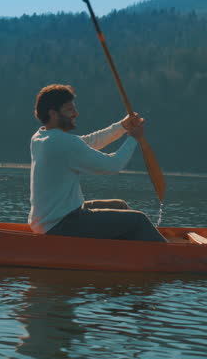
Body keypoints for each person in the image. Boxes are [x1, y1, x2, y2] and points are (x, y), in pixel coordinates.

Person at [28, 84, 166, 242]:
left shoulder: (40, 137)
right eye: (69, 109)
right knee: (138, 221)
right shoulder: (63, 142)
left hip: (49, 221)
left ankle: (126, 253)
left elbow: (88, 142)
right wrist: (133, 138)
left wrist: (122, 127)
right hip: (60, 225)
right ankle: (169, 257)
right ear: (53, 113)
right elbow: (113, 165)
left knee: (119, 206)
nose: (76, 113)